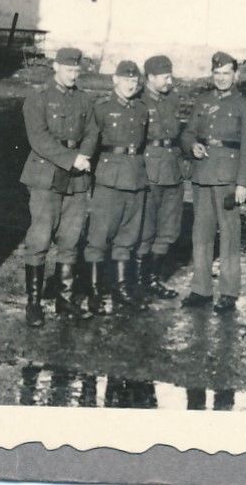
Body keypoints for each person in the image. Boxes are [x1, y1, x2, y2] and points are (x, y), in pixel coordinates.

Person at [19, 47, 98, 327]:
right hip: (46, 175)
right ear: (56, 67)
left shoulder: (84, 100)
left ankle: (64, 300)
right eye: (67, 69)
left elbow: (93, 132)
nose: (72, 75)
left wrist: (84, 156)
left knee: (70, 239)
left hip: (77, 178)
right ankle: (34, 304)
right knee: (39, 239)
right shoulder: (38, 98)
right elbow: (38, 139)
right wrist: (71, 159)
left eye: (76, 70)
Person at [179, 51, 246, 314]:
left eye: (226, 73)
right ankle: (201, 288)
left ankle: (228, 291)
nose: (221, 78)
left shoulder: (245, 105)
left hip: (228, 177)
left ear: (235, 75)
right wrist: (192, 145)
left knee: (229, 235)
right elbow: (188, 132)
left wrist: (243, 183)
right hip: (203, 174)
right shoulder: (202, 101)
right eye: (217, 73)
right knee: (200, 234)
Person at [85, 60, 150, 315]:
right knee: (99, 237)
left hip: (135, 176)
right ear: (115, 80)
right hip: (109, 177)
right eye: (125, 80)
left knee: (127, 236)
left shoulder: (142, 109)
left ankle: (120, 289)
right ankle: (93, 291)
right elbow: (90, 142)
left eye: (134, 81)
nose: (130, 85)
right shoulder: (101, 107)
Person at [134, 54, 185, 300]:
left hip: (173, 169)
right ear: (150, 77)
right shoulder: (138, 100)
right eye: (165, 77)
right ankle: (138, 282)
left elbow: (178, 132)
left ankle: (153, 279)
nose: (169, 80)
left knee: (169, 228)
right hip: (149, 169)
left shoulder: (172, 99)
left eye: (170, 75)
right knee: (146, 228)